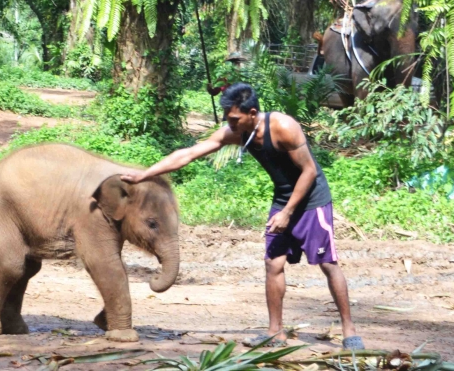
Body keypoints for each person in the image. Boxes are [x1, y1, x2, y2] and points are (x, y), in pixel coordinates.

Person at [121, 83, 364, 350]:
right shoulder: (237, 132)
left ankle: (349, 331)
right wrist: (144, 175)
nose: (230, 124)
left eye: (234, 119)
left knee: (328, 264)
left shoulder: (283, 127)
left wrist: (287, 212)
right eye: (228, 119)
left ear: (252, 113)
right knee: (273, 265)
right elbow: (189, 153)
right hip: (283, 198)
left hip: (311, 201)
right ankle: (275, 333)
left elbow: (309, 172)